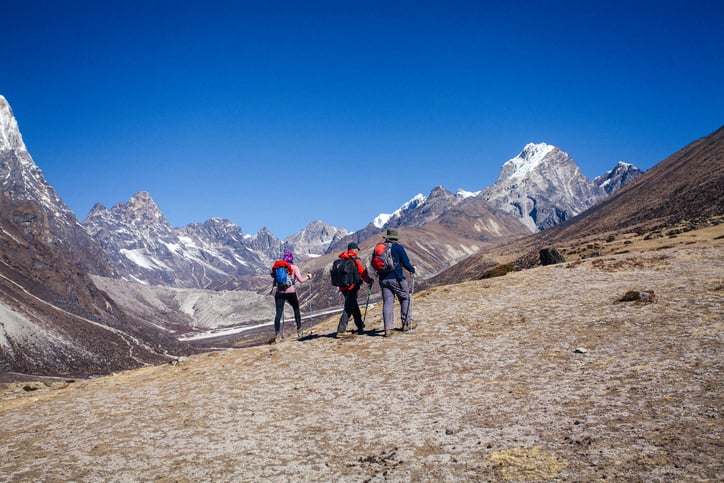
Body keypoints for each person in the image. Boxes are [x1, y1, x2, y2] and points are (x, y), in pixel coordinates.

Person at [377, 229, 415, 337]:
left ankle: (387, 329)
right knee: (404, 298)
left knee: (388, 303)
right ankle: (406, 323)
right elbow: (406, 263)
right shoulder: (398, 248)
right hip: (396, 278)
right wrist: (412, 269)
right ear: (395, 238)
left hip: (383, 279)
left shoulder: (380, 248)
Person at [271, 251, 312, 342]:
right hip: (291, 292)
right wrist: (308, 277)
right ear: (291, 259)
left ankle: (277, 335)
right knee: (296, 309)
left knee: (278, 314)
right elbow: (301, 280)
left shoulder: (278, 267)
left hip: (279, 292)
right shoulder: (294, 267)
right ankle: (299, 330)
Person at [335, 242, 374, 336]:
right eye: (356, 249)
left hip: (343, 287)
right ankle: (341, 330)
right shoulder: (353, 260)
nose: (357, 251)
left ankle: (360, 326)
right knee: (348, 308)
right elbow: (362, 273)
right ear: (353, 250)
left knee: (354, 306)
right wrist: (369, 281)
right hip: (351, 287)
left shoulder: (341, 260)